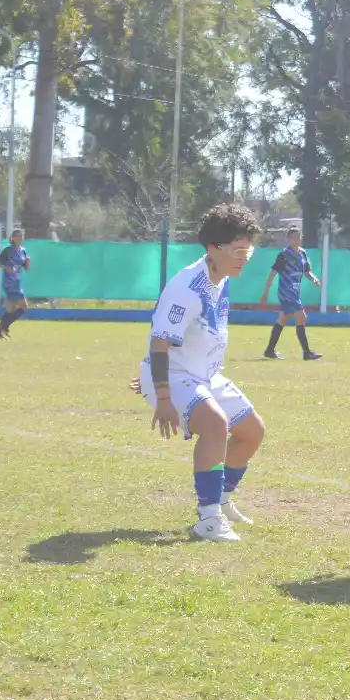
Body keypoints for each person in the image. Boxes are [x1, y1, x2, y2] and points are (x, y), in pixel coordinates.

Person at [137, 204, 268, 542]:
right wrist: (162, 395)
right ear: (214, 249)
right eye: (238, 250)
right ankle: (208, 519)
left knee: (252, 431)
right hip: (174, 374)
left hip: (202, 375)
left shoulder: (221, 278)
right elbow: (159, 343)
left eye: (248, 251)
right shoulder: (187, 287)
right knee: (215, 425)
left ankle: (221, 500)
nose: (244, 258)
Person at [260, 227, 323, 360]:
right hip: (286, 292)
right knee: (302, 318)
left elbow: (307, 271)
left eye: (299, 236)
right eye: (294, 237)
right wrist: (265, 293)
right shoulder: (284, 255)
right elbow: (272, 274)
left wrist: (314, 279)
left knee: (283, 319)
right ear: (288, 239)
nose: (297, 239)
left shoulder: (303, 254)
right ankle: (307, 353)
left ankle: (269, 350)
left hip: (295, 291)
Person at [0, 228, 31, 339]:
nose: (20, 238)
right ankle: (1, 329)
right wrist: (7, 268)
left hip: (17, 282)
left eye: (22, 236)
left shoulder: (23, 250)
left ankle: (1, 330)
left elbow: (25, 268)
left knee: (11, 310)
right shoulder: (8, 250)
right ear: (12, 238)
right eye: (18, 236)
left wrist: (28, 262)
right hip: (9, 283)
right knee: (24, 306)